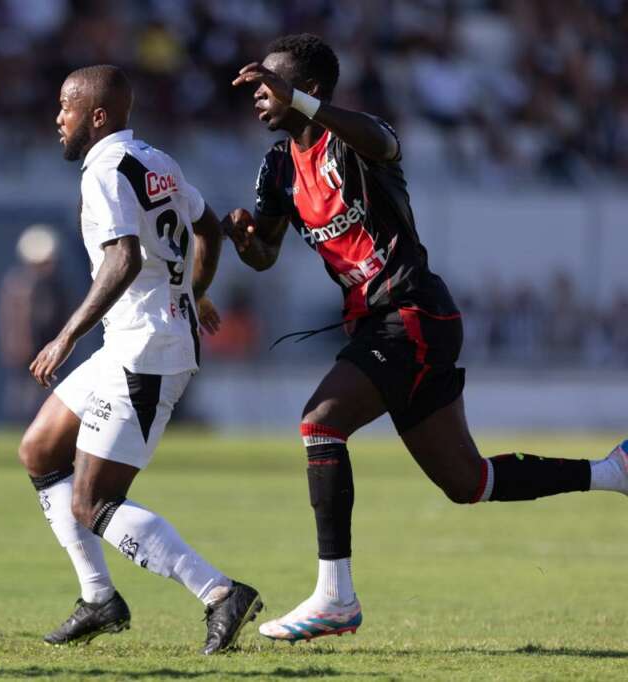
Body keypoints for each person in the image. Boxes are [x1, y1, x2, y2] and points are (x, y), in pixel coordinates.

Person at [222, 33, 627, 643]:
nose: (258, 94)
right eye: (256, 86)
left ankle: (335, 598)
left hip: (410, 314)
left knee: (320, 422)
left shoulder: (353, 139)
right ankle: (612, 472)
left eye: (269, 84)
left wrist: (303, 106)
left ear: (307, 91)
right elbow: (266, 255)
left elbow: (386, 141)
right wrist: (244, 241)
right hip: (380, 325)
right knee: (469, 483)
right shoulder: (277, 166)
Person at [18, 64, 262, 655]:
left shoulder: (102, 170)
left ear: (96, 116)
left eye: (65, 107)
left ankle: (220, 592)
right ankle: (98, 598)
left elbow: (122, 258)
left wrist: (66, 334)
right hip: (131, 341)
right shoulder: (158, 160)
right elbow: (207, 226)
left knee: (94, 502)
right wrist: (195, 292)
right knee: (40, 451)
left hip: (146, 352)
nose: (58, 118)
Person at [0, 224, 68, 422]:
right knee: (23, 391)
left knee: (47, 391)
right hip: (26, 350)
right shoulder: (18, 283)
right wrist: (17, 345)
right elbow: (13, 320)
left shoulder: (56, 285)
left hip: (49, 347)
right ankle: (20, 423)